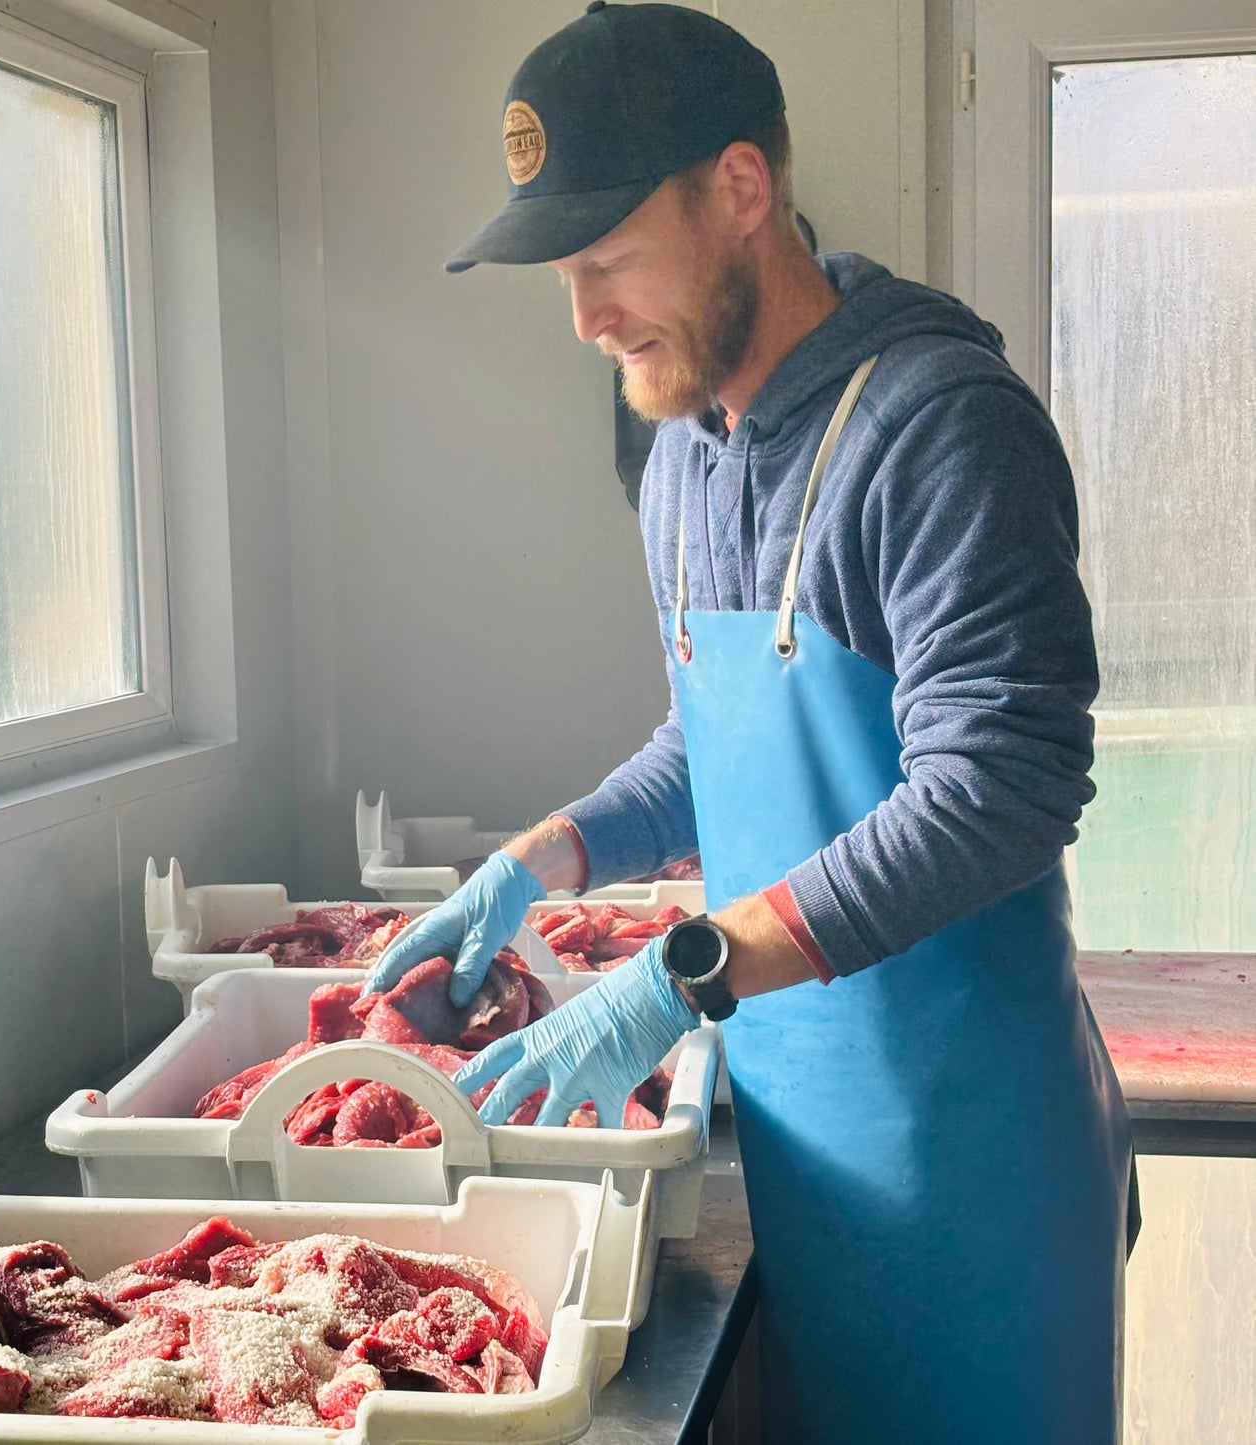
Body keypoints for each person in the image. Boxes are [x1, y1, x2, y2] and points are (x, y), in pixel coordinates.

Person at [368, 4, 1136, 1441]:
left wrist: (685, 970)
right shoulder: (685, 449)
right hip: (805, 1146)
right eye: (563, 275)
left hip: (976, 1166)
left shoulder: (937, 426)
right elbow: (710, 747)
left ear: (738, 191)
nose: (584, 317)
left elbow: (1000, 783)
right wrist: (542, 856)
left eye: (604, 259)